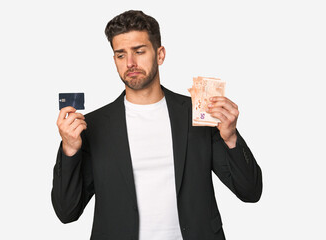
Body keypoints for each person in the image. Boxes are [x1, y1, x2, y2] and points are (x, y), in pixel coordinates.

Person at [51, 10, 262, 240]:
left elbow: (250, 192)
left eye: (139, 52)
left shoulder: (199, 116)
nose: (130, 63)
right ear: (114, 60)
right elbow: (67, 212)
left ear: (160, 54)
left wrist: (230, 138)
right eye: (121, 55)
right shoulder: (94, 126)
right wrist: (70, 150)